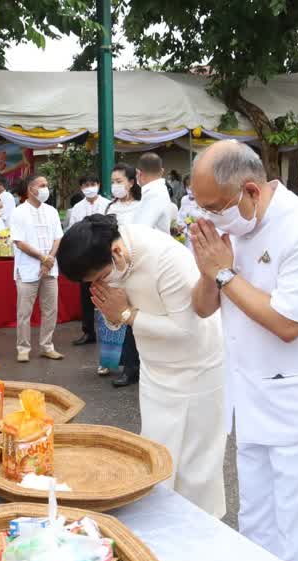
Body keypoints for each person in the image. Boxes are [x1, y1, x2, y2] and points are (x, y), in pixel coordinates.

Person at [190, 140, 298, 561]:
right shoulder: (232, 228)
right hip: (252, 403)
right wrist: (209, 269)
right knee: (255, 530)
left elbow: (287, 323)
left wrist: (224, 272)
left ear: (250, 190)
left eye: (213, 206)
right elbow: (204, 307)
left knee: (295, 544)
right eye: (200, 206)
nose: (207, 216)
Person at [59, 214, 227, 516]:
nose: (98, 285)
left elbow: (187, 330)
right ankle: (160, 528)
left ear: (117, 252)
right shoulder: (114, 262)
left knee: (195, 469)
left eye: (98, 278)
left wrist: (126, 314)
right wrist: (116, 314)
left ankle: (200, 535)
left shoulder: (166, 259)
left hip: (196, 371)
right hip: (156, 370)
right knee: (157, 455)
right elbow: (123, 314)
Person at [10, 174, 65, 363]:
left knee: (51, 310)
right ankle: (23, 348)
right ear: (30, 189)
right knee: (24, 312)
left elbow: (58, 237)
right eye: (41, 185)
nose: (45, 189)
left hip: (50, 269)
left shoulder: (52, 211)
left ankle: (47, 346)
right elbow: (19, 242)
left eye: (46, 185)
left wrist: (49, 259)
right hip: (27, 270)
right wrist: (43, 258)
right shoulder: (19, 212)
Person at [105, 165, 143, 386]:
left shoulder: (142, 207)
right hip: (119, 268)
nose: (115, 185)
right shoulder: (111, 208)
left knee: (141, 315)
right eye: (113, 181)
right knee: (124, 316)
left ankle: (139, 365)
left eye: (119, 181)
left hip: (140, 265)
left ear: (131, 182)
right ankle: (128, 367)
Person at [69, 175, 111, 347]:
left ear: (99, 185)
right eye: (86, 185)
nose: (90, 187)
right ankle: (88, 332)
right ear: (81, 187)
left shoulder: (108, 204)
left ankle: (110, 331)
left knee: (107, 295)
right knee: (86, 296)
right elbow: (72, 231)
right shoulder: (77, 208)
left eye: (93, 184)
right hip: (84, 257)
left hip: (104, 257)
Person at [134, 153, 173, 234]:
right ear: (162, 171)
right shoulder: (158, 191)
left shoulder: (154, 194)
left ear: (138, 173)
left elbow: (141, 230)